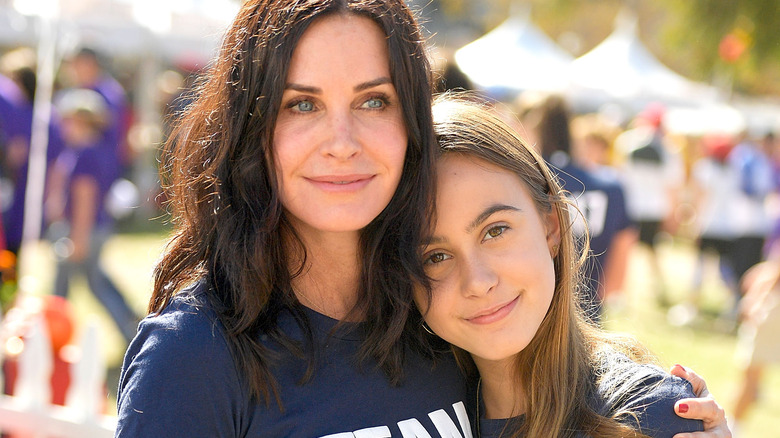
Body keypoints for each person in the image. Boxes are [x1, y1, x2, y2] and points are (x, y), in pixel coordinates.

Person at [116, 1, 729, 436]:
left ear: (409, 117)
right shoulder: (197, 354)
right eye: (300, 104)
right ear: (252, 126)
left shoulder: (428, 313)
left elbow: (561, 383)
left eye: (373, 100)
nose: (341, 140)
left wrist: (660, 405)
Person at [415, 96, 710, 437]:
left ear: (552, 227)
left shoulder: (645, 417)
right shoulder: (402, 415)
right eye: (435, 256)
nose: (478, 282)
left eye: (495, 231)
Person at [520, 95, 636, 323]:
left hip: (526, 319)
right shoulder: (611, 186)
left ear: (530, 127)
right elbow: (616, 283)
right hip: (587, 318)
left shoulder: (520, 182)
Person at [46, 88, 139, 343]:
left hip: (84, 228)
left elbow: (84, 197)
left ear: (81, 120)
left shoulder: (85, 152)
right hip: (93, 227)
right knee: (95, 282)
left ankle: (132, 334)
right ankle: (133, 324)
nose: (62, 126)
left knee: (87, 286)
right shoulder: (96, 149)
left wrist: (79, 236)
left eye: (66, 120)